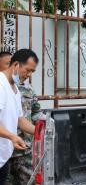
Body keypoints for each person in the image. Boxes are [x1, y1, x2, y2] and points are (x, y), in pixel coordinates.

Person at [0, 52, 44, 185]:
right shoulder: (1, 85)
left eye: (32, 71)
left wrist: (41, 131)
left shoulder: (16, 90)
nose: (29, 75)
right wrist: (13, 137)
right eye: (28, 70)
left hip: (4, 156)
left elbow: (20, 120)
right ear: (16, 64)